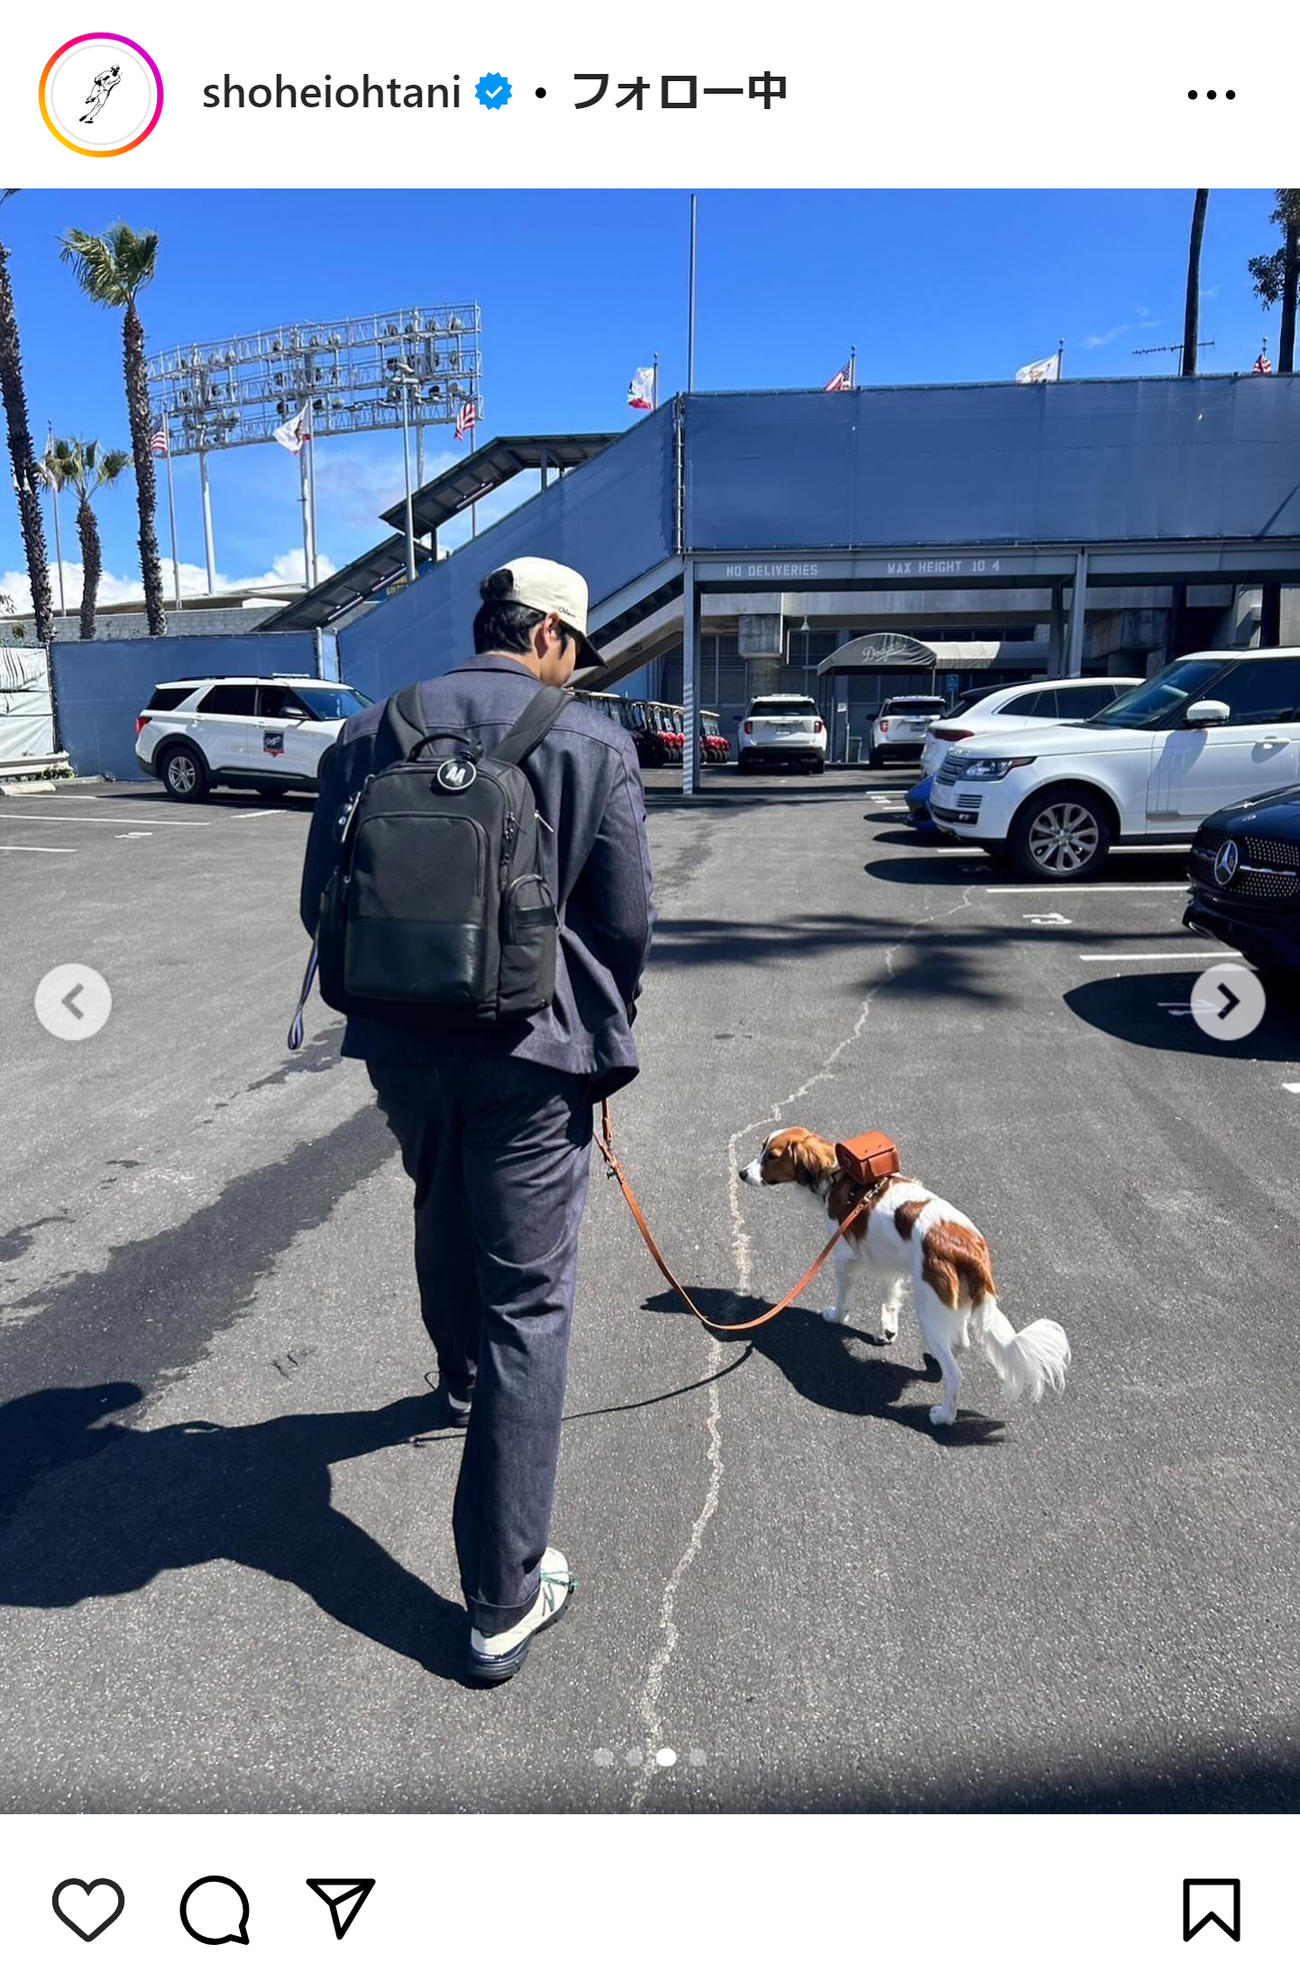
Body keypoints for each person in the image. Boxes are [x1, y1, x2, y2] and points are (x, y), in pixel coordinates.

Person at [299, 557, 656, 1682]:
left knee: (435, 1195)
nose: (571, 666)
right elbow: (626, 919)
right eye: (573, 648)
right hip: (532, 1059)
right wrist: (599, 1038)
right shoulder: (588, 741)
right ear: (548, 634)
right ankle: (501, 1596)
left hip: (401, 1050)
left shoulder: (368, 733)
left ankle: (453, 1374)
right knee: (531, 1302)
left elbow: (322, 901)